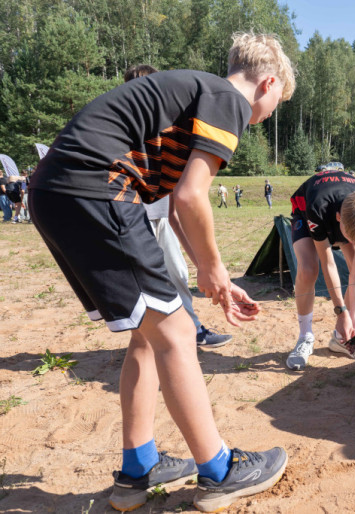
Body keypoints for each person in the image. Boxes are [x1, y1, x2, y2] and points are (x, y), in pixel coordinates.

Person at [28, 32, 295, 513]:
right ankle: (221, 471)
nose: (273, 112)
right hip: (96, 186)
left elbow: (174, 209)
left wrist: (210, 273)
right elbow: (193, 197)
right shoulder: (227, 99)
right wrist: (213, 271)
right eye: (279, 101)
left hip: (58, 190)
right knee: (176, 330)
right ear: (267, 82)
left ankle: (138, 470)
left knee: (150, 332)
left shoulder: (188, 100)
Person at [124, 63, 233, 349]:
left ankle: (194, 329)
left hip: (162, 220)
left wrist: (203, 263)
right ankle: (155, 339)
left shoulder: (168, 138)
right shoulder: (126, 134)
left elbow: (174, 210)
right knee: (148, 285)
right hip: (135, 220)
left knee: (179, 276)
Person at [285, 170, 355, 371]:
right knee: (309, 269)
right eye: (350, 237)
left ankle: (342, 339)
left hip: (345, 218)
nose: (354, 243)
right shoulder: (317, 208)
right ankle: (305, 337)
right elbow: (329, 264)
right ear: (338, 218)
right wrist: (341, 312)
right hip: (307, 213)